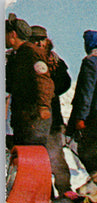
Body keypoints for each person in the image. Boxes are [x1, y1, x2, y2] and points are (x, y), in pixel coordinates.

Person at [30, 25, 72, 196]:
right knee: (36, 161)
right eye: (35, 39)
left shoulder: (56, 61)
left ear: (47, 41)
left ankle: (65, 191)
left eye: (42, 39)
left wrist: (48, 92)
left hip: (52, 119)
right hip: (32, 119)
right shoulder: (25, 59)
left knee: (56, 158)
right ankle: (43, 194)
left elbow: (66, 82)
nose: (39, 43)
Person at [66, 30, 97, 174]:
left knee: (90, 162)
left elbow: (86, 93)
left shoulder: (90, 62)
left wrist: (80, 118)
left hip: (89, 121)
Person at [5, 14, 54, 150]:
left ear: (13, 34)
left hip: (34, 119)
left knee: (32, 159)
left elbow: (43, 80)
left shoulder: (31, 53)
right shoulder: (17, 55)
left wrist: (43, 106)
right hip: (23, 119)